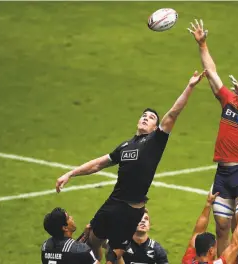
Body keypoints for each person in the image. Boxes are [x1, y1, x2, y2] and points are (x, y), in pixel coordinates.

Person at [55, 70, 206, 263]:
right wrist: (70, 173)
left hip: (131, 210)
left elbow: (174, 113)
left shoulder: (155, 141)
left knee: (114, 256)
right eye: (144, 115)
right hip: (113, 202)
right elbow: (99, 163)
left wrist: (190, 86)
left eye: (151, 117)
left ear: (155, 127)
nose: (146, 117)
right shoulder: (125, 146)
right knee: (90, 239)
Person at [188, 19, 238, 264]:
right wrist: (202, 44)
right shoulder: (230, 102)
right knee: (222, 226)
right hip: (222, 173)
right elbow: (212, 73)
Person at [182, 191, 238, 264]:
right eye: (215, 247)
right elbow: (236, 244)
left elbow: (198, 231)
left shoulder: (187, 259)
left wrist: (208, 204)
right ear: (211, 250)